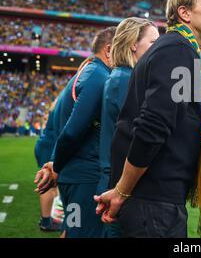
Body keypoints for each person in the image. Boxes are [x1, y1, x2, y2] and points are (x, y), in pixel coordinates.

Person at [94, 0, 201, 238]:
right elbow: (153, 126)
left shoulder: (180, 50)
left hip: (156, 201)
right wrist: (122, 191)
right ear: (184, 13)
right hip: (153, 204)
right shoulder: (177, 50)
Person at [34, 27, 116, 238]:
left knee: (72, 231)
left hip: (75, 176)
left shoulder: (88, 71)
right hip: (84, 180)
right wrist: (55, 165)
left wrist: (56, 163)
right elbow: (71, 132)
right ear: (109, 50)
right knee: (83, 233)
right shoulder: (98, 76)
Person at [97, 18, 159, 237]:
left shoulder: (123, 76)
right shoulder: (125, 78)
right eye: (153, 42)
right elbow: (138, 135)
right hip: (117, 186)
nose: (158, 48)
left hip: (117, 184)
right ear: (133, 44)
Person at [34, 98, 62, 232]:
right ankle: (46, 221)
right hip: (50, 145)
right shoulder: (63, 103)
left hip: (47, 144)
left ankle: (50, 217)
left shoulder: (58, 103)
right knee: (49, 184)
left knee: (54, 185)